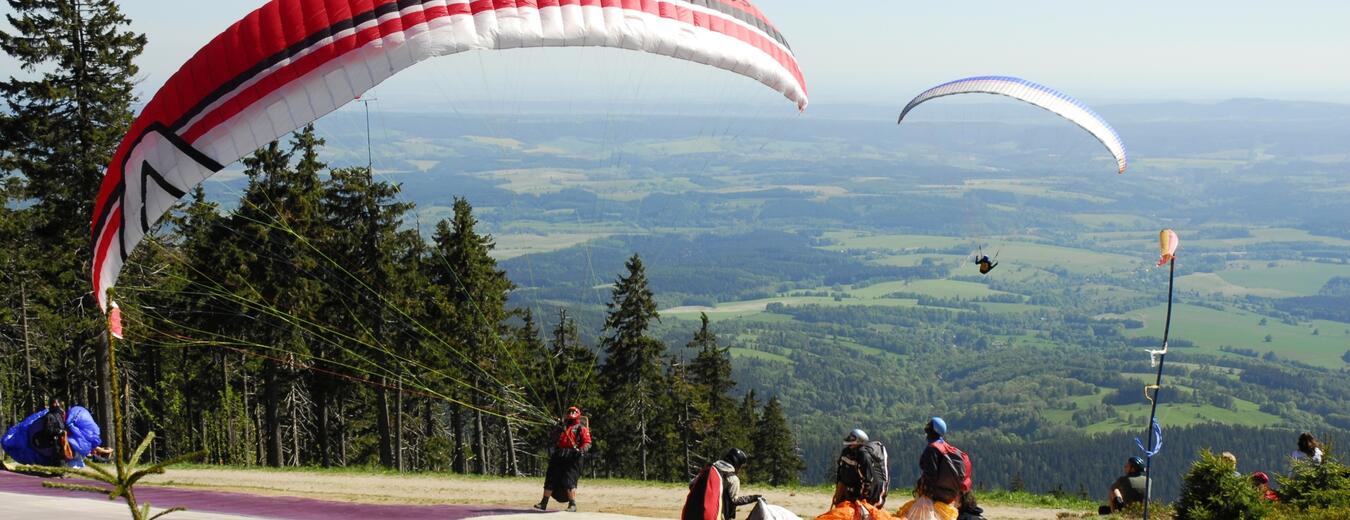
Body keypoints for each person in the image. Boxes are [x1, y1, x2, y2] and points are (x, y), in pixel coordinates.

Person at [535, 406, 591, 512]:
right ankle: (543, 503)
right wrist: (558, 428)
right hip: (559, 454)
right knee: (550, 477)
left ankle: (572, 505)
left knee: (569, 479)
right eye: (569, 411)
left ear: (578, 413)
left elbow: (587, 442)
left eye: (573, 411)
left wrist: (581, 450)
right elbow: (553, 438)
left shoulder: (581, 428)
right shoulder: (561, 427)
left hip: (573, 456)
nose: (571, 413)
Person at [683, 448, 760, 520]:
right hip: (718, 516)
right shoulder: (733, 479)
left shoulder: (710, 469)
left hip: (696, 512)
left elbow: (691, 485)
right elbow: (734, 501)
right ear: (737, 464)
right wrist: (753, 498)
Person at [917, 417, 971, 507]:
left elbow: (930, 475)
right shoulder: (944, 447)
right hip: (950, 494)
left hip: (935, 494)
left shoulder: (932, 449)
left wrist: (924, 493)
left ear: (931, 430)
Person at [832, 428, 889, 507]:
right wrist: (838, 494)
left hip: (862, 495)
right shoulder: (846, 452)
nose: (850, 441)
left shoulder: (863, 456)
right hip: (849, 492)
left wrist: (860, 500)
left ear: (859, 441)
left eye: (852, 438)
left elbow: (867, 481)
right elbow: (841, 474)